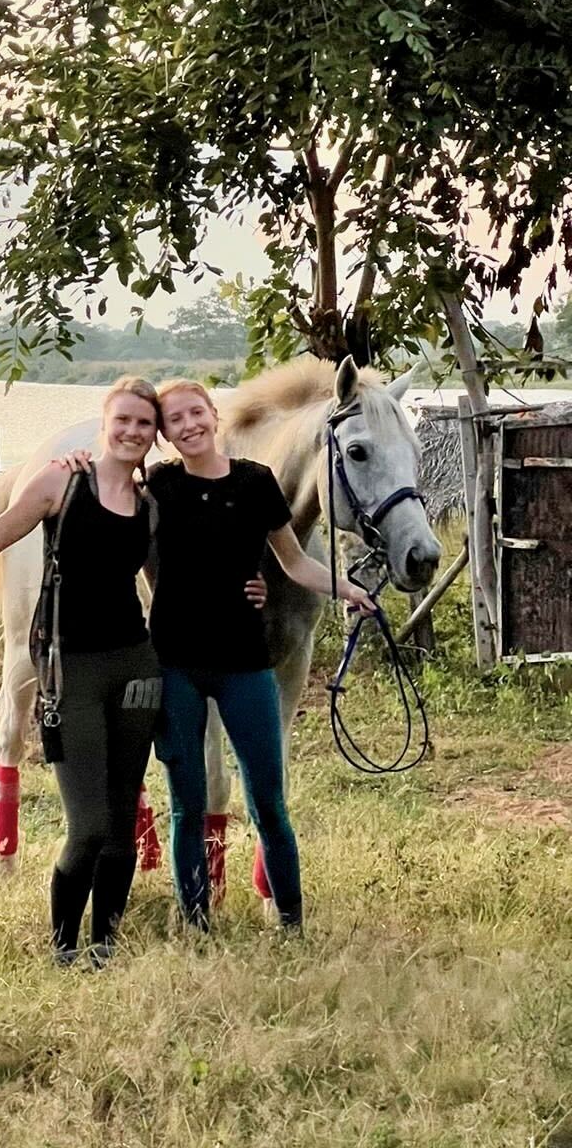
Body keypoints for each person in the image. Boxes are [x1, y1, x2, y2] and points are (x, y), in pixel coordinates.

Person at [0, 378, 167, 965]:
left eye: (144, 423)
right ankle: (64, 947)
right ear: (105, 421)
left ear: (154, 434)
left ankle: (104, 946)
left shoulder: (148, 506)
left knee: (120, 829)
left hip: (135, 669)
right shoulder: (60, 483)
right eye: (123, 419)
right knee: (88, 827)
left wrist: (247, 594)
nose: (132, 431)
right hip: (71, 670)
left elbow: (170, 588)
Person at [146, 379, 374, 933]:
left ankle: (291, 922)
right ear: (165, 433)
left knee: (268, 801)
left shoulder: (256, 481)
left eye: (196, 412)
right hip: (178, 666)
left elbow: (295, 562)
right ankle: (195, 921)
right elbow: (127, 540)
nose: (189, 425)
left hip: (245, 666)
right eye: (175, 419)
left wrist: (346, 588)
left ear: (213, 414)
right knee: (188, 804)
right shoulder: (158, 485)